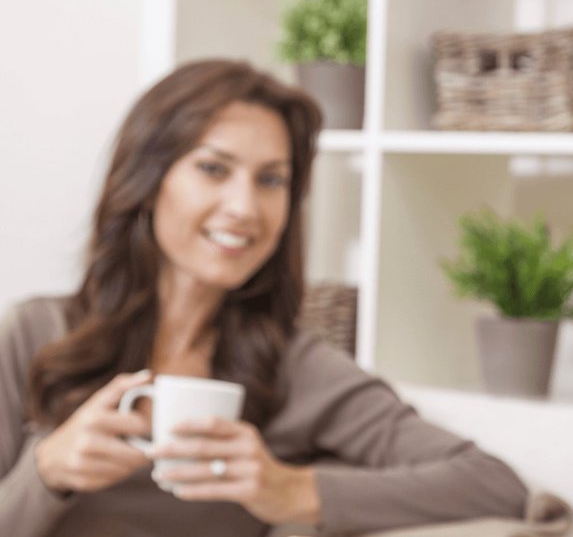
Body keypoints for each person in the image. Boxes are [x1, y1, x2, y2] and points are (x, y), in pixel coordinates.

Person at [0, 59, 528, 537]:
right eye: (213, 169)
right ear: (147, 179)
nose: (245, 207)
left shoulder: (297, 370)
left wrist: (291, 491)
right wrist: (45, 471)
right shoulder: (33, 335)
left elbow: (494, 485)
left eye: (271, 180)